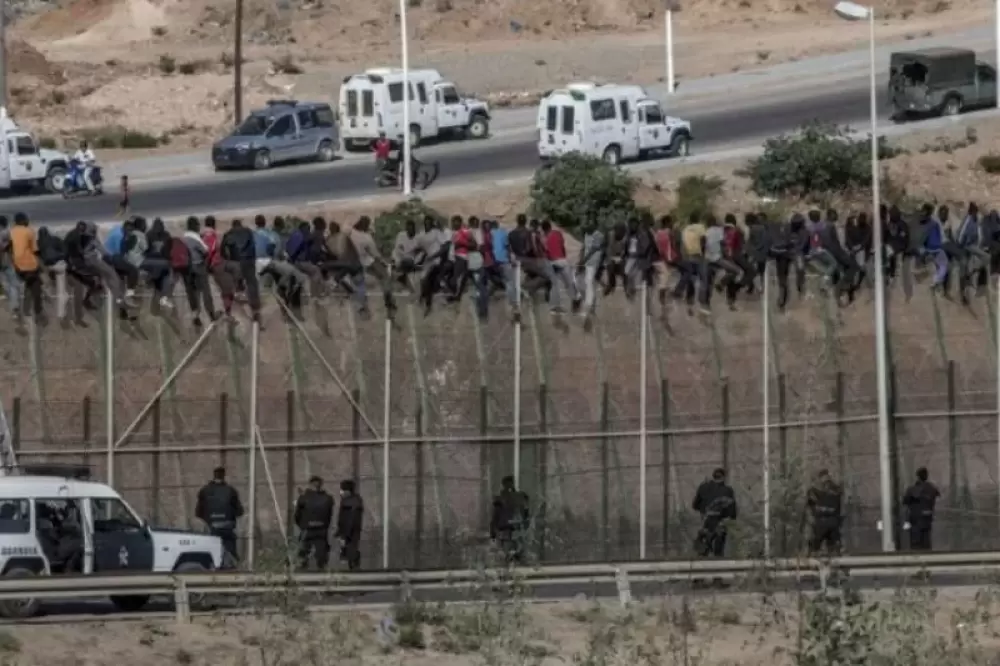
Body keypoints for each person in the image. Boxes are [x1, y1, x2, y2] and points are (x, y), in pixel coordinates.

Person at [195, 466, 244, 564]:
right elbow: (240, 511)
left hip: (211, 527)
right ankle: (233, 562)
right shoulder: (231, 490)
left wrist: (209, 518)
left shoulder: (204, 491)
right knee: (230, 547)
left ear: (214, 476)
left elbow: (198, 512)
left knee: (209, 549)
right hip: (227, 527)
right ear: (224, 476)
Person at [692, 468, 737, 560]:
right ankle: (717, 557)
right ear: (724, 477)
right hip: (720, 521)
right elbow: (732, 510)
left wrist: (702, 509)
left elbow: (695, 505)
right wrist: (731, 518)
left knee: (704, 545)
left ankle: (703, 554)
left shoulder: (703, 487)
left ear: (713, 476)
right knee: (719, 545)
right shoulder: (727, 490)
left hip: (706, 520)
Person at [294, 475, 335, 571]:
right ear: (320, 485)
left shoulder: (303, 498)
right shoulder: (328, 498)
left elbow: (297, 515)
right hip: (321, 528)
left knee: (303, 549)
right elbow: (329, 515)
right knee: (321, 550)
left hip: (307, 528)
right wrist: (325, 525)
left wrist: (302, 525)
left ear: (310, 484)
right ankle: (322, 567)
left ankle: (302, 567)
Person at [9, 212, 44, 323]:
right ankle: (38, 313)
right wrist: (41, 265)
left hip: (17, 265)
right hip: (29, 264)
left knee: (26, 286)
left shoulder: (11, 232)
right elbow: (35, 250)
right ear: (24, 220)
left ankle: (24, 310)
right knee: (37, 288)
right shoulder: (29, 231)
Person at [490, 475, 530, 564]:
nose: (509, 486)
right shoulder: (501, 499)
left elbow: (525, 513)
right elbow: (495, 517)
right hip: (508, 532)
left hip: (515, 532)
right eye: (507, 484)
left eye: (510, 483)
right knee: (509, 556)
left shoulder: (518, 497)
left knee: (515, 556)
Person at [806, 469, 843, 556]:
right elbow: (812, 506)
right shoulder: (814, 492)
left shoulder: (834, 492)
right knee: (816, 544)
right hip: (822, 523)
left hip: (829, 523)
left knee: (832, 545)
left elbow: (835, 506)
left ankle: (833, 552)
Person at [902, 467, 940, 551]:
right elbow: (937, 495)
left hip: (915, 519)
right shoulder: (931, 488)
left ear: (918, 476)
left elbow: (905, 501)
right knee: (926, 542)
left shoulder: (912, 490)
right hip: (927, 518)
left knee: (916, 543)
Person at [335, 479, 364, 571]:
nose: (340, 492)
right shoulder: (354, 501)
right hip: (351, 530)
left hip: (349, 531)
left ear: (347, 491)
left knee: (351, 550)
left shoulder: (349, 502)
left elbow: (348, 519)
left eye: (342, 490)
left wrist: (343, 534)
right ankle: (353, 565)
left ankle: (354, 567)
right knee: (351, 550)